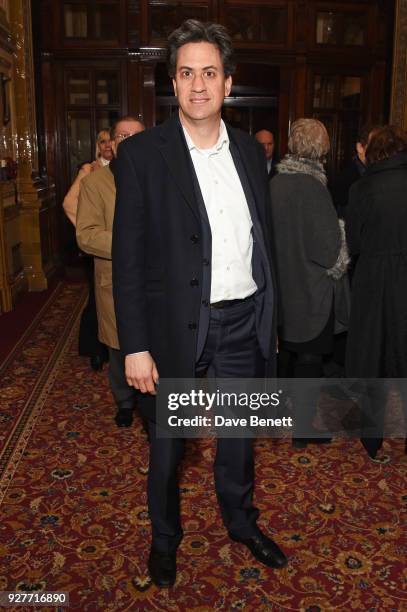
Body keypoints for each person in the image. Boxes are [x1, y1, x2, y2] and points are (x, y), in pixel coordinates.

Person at [112, 19, 287, 587]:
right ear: (174, 82)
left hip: (243, 322)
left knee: (239, 438)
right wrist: (135, 346)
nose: (198, 85)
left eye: (209, 73)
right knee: (169, 446)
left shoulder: (248, 150)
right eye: (186, 73)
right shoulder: (141, 155)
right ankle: (165, 540)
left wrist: (271, 318)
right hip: (175, 331)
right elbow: (128, 262)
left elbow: (261, 239)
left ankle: (241, 521)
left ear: (228, 83)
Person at [269, 118, 349, 447]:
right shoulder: (314, 188)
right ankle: (303, 429)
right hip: (309, 289)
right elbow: (331, 251)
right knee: (310, 359)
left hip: (281, 286)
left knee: (285, 353)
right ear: (323, 149)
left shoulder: (273, 183)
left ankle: (278, 417)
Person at [76, 117, 146, 428]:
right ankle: (124, 401)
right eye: (123, 136)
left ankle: (152, 406)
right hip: (115, 279)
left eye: (136, 136)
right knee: (120, 348)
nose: (129, 141)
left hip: (158, 282)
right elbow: (87, 235)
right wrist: (132, 244)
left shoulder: (162, 178)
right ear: (113, 143)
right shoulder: (94, 183)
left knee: (156, 345)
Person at [345, 125, 407, 461]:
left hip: (373, 282)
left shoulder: (362, 188)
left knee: (374, 363)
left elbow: (354, 242)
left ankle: (372, 443)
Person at [62, 130, 114, 371]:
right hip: (97, 246)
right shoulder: (90, 170)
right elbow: (69, 203)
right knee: (97, 300)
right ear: (97, 146)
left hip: (114, 246)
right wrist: (88, 230)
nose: (106, 145)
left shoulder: (129, 167)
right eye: (101, 141)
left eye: (109, 141)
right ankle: (96, 349)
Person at [331, 124, 381, 219]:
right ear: (360, 147)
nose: (379, 152)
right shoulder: (345, 180)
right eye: (374, 147)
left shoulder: (382, 175)